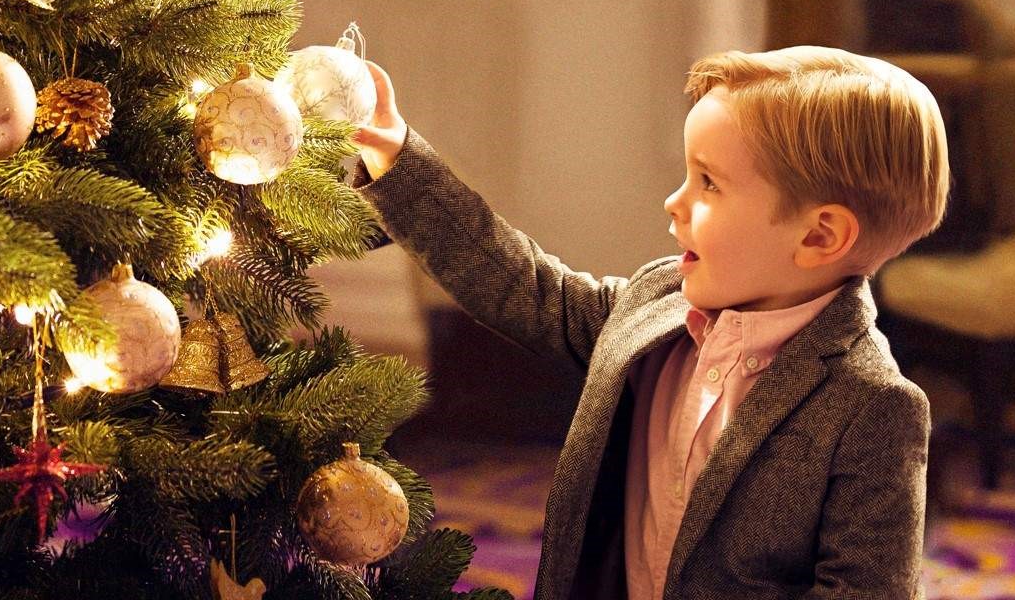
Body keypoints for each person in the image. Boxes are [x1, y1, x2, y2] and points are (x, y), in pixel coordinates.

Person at [351, 47, 950, 600]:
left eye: (709, 183)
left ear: (819, 235)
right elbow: (521, 284)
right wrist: (398, 160)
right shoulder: (654, 300)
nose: (675, 201)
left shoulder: (872, 405)